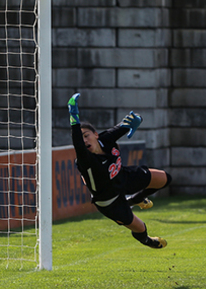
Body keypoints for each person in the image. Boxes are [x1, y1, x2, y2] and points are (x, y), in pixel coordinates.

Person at [68, 93, 171, 249]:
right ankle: (148, 241)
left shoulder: (105, 139)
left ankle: (135, 199)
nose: (84, 140)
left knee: (164, 179)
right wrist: (74, 119)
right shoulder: (85, 160)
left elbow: (125, 124)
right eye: (80, 137)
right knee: (141, 227)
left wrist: (138, 119)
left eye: (86, 135)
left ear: (96, 135)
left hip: (123, 178)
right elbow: (78, 145)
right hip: (109, 201)